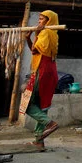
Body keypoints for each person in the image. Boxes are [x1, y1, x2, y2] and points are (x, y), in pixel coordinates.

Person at [24, 10, 60, 150]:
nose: (39, 21)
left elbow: (35, 50)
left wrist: (36, 33)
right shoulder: (54, 34)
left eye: (42, 19)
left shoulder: (46, 33)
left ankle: (50, 124)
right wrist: (28, 37)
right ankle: (39, 140)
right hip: (50, 72)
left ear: (49, 21)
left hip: (42, 71)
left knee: (26, 104)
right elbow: (34, 50)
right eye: (39, 19)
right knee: (42, 105)